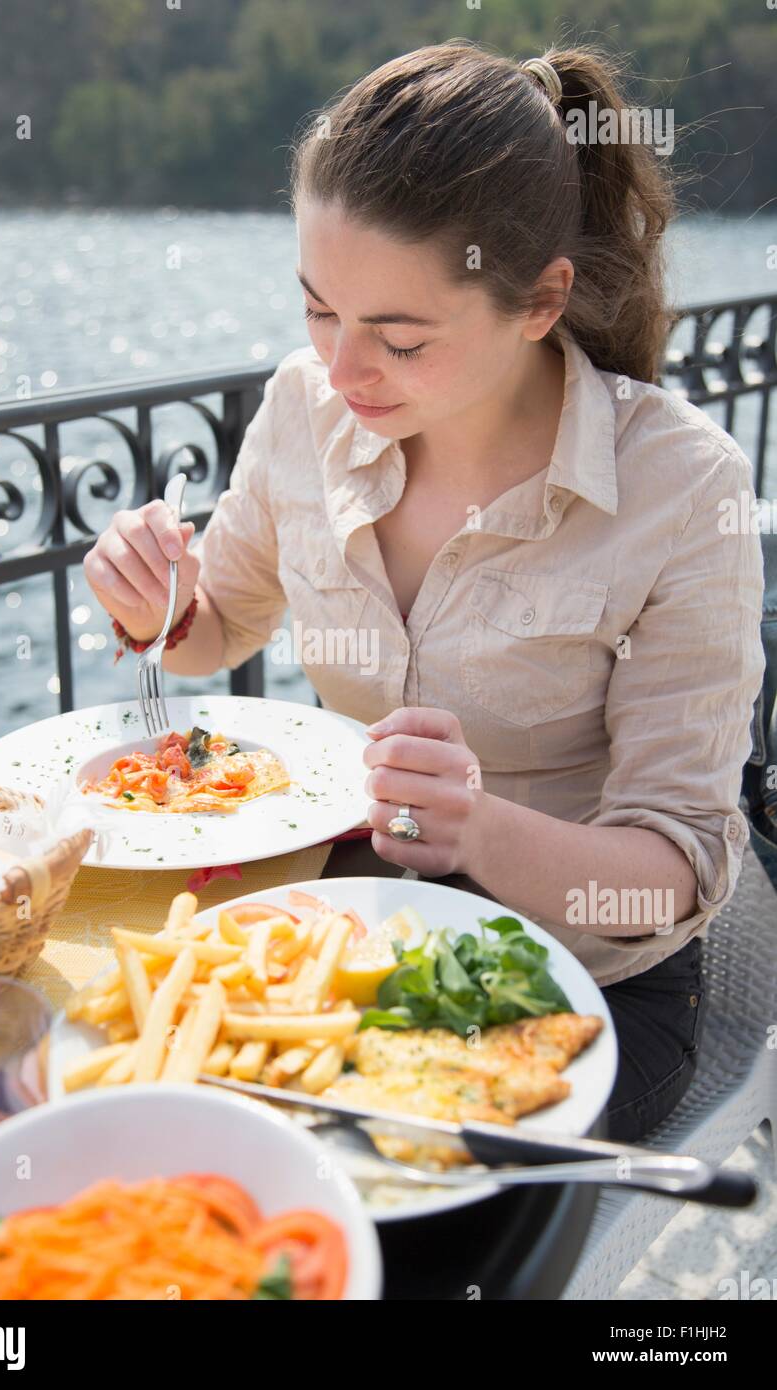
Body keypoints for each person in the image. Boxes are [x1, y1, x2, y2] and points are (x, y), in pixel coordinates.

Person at [84, 41, 766, 1142]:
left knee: (367, 1167)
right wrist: (150, 598)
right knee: (126, 1107)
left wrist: (477, 829)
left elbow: (672, 879)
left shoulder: (680, 487)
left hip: (573, 992)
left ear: (543, 301)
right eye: (318, 311)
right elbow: (215, 628)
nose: (342, 371)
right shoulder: (306, 407)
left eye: (399, 338)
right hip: (349, 929)